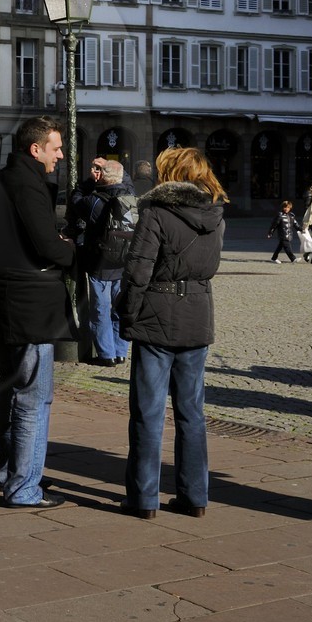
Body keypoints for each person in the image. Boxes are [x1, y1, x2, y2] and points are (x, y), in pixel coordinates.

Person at [117, 146, 227, 519]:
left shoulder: (157, 213)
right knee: (191, 413)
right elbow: (208, 266)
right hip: (198, 317)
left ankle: (143, 498)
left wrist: (127, 316)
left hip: (157, 319)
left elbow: (137, 271)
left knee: (148, 413)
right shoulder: (216, 216)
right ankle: (194, 495)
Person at [0, 117, 75, 510]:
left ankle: (11, 470)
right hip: (31, 307)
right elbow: (46, 244)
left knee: (10, 391)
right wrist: (73, 252)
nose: (61, 155)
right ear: (36, 149)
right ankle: (24, 487)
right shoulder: (29, 185)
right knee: (34, 398)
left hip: (5, 302)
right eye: (56, 148)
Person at [70, 158, 136, 365]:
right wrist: (116, 170)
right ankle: (120, 351)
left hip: (100, 263)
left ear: (102, 177)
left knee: (100, 310)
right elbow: (128, 183)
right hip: (124, 262)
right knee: (119, 308)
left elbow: (75, 199)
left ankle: (106, 354)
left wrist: (89, 180)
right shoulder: (130, 197)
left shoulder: (95, 201)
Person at [267, 199, 300, 265]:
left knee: (280, 246)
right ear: (282, 207)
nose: (286, 209)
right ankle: (293, 258)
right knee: (287, 247)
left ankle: (274, 258)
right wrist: (270, 233)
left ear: (290, 208)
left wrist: (301, 229)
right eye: (285, 207)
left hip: (289, 234)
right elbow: (274, 225)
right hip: (282, 234)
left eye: (288, 207)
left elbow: (295, 224)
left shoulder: (291, 216)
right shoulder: (280, 215)